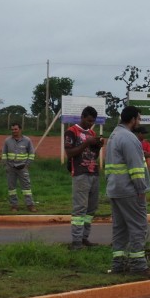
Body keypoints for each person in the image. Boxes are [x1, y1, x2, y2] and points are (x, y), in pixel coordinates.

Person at [105, 106, 150, 278]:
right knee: (138, 227)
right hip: (129, 190)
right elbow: (136, 168)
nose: (139, 122)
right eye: (139, 119)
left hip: (115, 189)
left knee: (120, 229)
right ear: (133, 119)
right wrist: (141, 189)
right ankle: (138, 265)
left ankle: (118, 265)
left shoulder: (114, 136)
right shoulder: (129, 138)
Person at [65, 106, 103, 250]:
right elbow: (69, 153)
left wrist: (98, 146)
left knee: (91, 209)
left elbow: (94, 155)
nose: (90, 124)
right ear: (82, 117)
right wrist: (87, 142)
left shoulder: (92, 133)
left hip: (93, 173)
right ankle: (76, 242)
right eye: (88, 121)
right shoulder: (71, 131)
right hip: (80, 173)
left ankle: (84, 238)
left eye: (92, 122)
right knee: (80, 209)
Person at [2, 123, 36, 212]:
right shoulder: (7, 141)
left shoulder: (27, 140)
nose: (14, 131)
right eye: (12, 129)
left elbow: (31, 153)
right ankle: (14, 206)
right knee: (11, 188)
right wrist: (6, 165)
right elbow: (4, 154)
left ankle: (30, 205)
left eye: (15, 129)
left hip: (23, 167)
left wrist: (27, 164)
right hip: (11, 168)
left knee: (26, 187)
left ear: (20, 129)